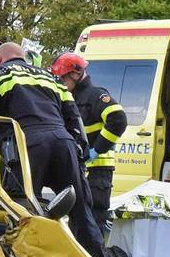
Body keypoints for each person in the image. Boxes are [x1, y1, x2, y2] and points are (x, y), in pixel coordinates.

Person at [0, 42, 106, 257]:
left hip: (27, 143)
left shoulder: (0, 73)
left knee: (20, 210)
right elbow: (73, 115)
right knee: (80, 209)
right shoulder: (51, 78)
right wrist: (80, 150)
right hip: (62, 142)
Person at [51, 52, 126, 229]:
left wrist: (97, 149)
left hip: (98, 171)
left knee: (95, 221)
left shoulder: (95, 95)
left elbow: (118, 119)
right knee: (78, 222)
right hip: (81, 170)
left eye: (62, 79)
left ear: (76, 74)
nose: (60, 83)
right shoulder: (71, 98)